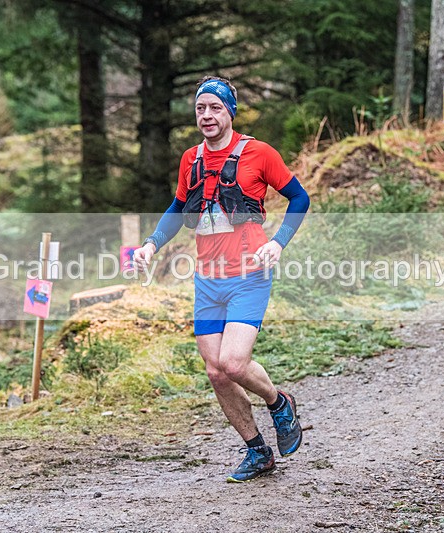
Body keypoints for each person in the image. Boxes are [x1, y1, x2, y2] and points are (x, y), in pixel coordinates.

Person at [134, 76, 310, 482]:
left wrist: (279, 242)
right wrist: (150, 245)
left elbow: (299, 198)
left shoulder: (259, 153)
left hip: (249, 275)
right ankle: (257, 451)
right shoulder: (190, 159)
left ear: (230, 111)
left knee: (233, 362)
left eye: (215, 107)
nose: (207, 115)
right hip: (208, 280)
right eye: (201, 108)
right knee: (215, 371)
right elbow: (178, 208)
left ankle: (278, 401)